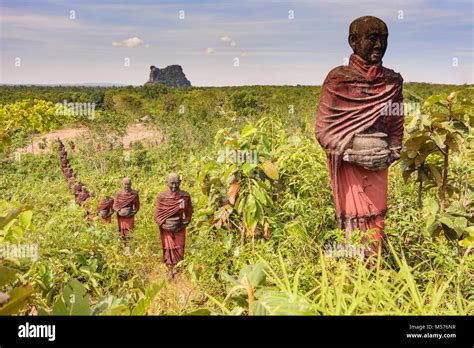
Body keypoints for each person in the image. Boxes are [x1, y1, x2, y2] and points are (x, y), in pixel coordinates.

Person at [315, 16, 404, 259]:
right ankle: (353, 276)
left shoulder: (393, 82)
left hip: (378, 166)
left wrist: (390, 154)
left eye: (383, 38)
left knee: (376, 221)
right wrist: (351, 151)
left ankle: (373, 274)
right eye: (372, 38)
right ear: (353, 41)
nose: (378, 45)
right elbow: (323, 131)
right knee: (353, 224)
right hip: (348, 165)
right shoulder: (338, 80)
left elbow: (396, 130)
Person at [154, 173, 193, 280]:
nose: (174, 186)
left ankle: (179, 269)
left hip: (179, 226)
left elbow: (189, 211)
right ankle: (170, 270)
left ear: (180, 183)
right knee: (168, 248)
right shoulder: (162, 197)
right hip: (166, 227)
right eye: (171, 184)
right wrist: (163, 224)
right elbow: (157, 214)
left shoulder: (185, 196)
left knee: (180, 247)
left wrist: (185, 222)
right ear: (167, 183)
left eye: (176, 184)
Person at [113, 178, 140, 242]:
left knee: (129, 230)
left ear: (131, 184)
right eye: (125, 184)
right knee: (122, 231)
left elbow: (137, 205)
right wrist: (119, 211)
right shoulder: (119, 193)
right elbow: (115, 205)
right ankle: (123, 245)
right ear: (122, 184)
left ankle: (130, 246)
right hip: (121, 216)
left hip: (129, 215)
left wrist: (133, 212)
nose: (126, 186)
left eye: (128, 184)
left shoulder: (134, 193)